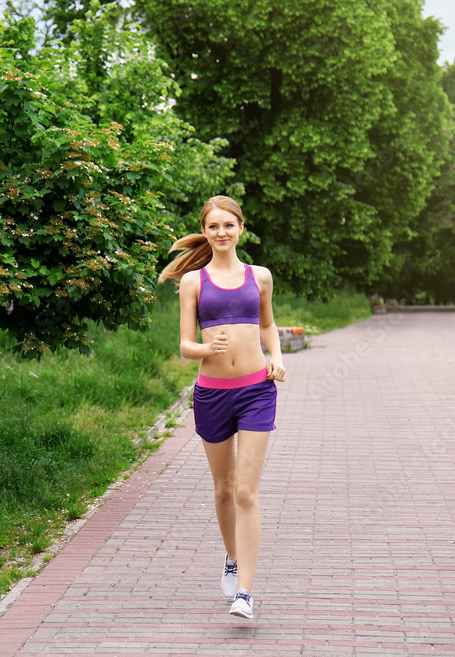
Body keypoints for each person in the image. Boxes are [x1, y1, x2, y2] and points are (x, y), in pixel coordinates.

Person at [159, 195, 285, 619]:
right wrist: (204, 346)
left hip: (255, 391)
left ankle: (244, 592)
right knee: (224, 489)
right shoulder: (194, 282)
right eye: (213, 226)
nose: (221, 233)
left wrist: (278, 357)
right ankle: (231, 556)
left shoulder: (260, 277)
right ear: (206, 231)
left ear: (241, 229)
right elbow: (183, 344)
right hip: (211, 394)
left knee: (247, 492)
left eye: (229, 225)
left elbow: (267, 323)